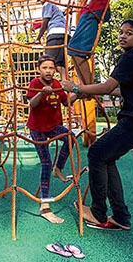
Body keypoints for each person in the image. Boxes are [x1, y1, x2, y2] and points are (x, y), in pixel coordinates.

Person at [62, 20, 133, 231]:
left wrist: (77, 87)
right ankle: (121, 216)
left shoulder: (130, 57)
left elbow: (107, 87)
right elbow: (120, 90)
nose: (123, 36)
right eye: (121, 32)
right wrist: (86, 92)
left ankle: (98, 213)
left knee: (97, 153)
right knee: (106, 158)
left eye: (129, 33)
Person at [27, 55, 79, 224]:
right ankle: (45, 207)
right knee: (45, 163)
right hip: (37, 128)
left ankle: (58, 169)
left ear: (55, 70)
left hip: (53, 126)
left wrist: (79, 93)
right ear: (39, 69)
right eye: (45, 68)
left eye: (51, 68)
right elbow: (32, 104)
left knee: (70, 138)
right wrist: (42, 93)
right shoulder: (35, 83)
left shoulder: (57, 84)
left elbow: (66, 102)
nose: (48, 71)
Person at [67, 0, 122, 85]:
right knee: (72, 50)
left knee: (76, 49)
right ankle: (86, 87)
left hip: (94, 11)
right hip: (88, 11)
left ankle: (88, 88)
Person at [34, 0, 69, 77]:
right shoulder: (54, 6)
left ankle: (46, 83)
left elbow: (45, 22)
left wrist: (38, 38)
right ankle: (64, 81)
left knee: (46, 61)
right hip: (64, 34)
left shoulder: (47, 4)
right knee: (60, 64)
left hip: (55, 33)